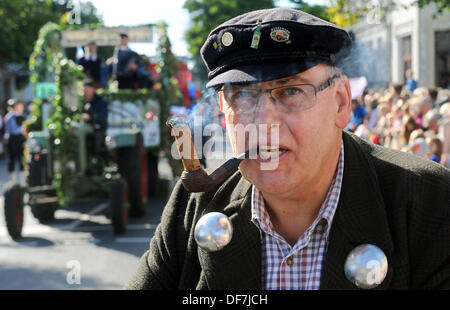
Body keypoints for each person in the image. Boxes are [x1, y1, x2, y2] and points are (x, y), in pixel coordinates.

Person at [125, 8, 450, 290]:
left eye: (291, 90)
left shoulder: (429, 203)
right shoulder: (196, 205)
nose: (264, 120)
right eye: (243, 95)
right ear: (223, 108)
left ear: (340, 103)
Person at [4, 99, 27, 184]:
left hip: (20, 139)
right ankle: (13, 181)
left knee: (22, 159)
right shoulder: (10, 117)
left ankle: (22, 180)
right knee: (12, 159)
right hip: (13, 140)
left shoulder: (22, 115)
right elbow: (12, 130)